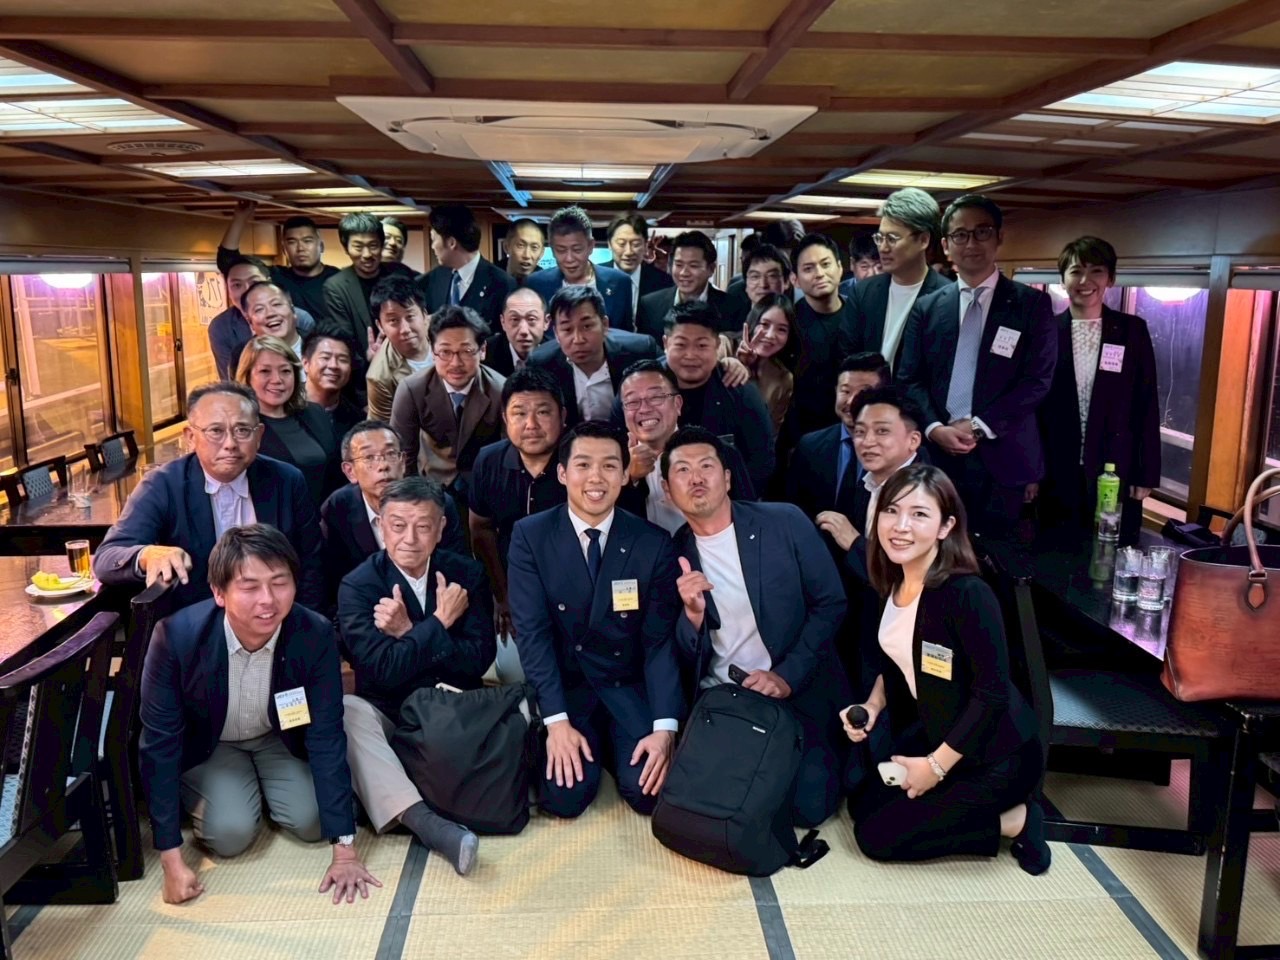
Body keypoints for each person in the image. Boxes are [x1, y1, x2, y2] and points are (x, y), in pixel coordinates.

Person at [139, 525, 379, 904]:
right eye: (249, 587)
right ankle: (239, 792)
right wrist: (171, 862)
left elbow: (326, 735)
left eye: (279, 583)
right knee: (229, 835)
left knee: (314, 822)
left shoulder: (313, 633)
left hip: (277, 736)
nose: (268, 600)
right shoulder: (176, 637)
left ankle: (263, 790)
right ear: (219, 593)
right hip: (212, 743)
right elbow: (159, 745)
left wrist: (345, 852)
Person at [841, 464, 1049, 875]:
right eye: (891, 511)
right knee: (860, 802)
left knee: (875, 837)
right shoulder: (893, 582)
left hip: (996, 755)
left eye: (919, 514)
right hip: (938, 733)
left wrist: (935, 768)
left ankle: (1018, 821)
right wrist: (872, 706)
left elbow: (991, 695)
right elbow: (898, 661)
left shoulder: (967, 593)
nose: (901, 526)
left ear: (945, 526)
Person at [664, 426, 850, 826]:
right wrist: (692, 617)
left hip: (794, 688)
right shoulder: (671, 554)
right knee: (705, 802)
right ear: (667, 491)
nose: (696, 478)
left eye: (706, 466)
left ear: (728, 477)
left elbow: (831, 602)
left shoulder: (784, 522)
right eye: (682, 470)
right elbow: (677, 655)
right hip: (722, 697)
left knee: (806, 808)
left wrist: (786, 676)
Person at [506, 421, 684, 818]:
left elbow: (659, 643)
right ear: (562, 473)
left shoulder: (652, 542)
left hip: (626, 684)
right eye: (583, 465)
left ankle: (618, 744)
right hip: (567, 689)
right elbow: (533, 636)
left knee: (649, 795)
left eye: (609, 466)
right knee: (564, 800)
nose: (596, 478)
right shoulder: (531, 536)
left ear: (624, 474)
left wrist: (664, 729)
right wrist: (556, 722)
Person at [337, 477, 494, 875]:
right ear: (381, 527)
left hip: (454, 712)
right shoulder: (358, 585)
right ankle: (431, 827)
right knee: (349, 711)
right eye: (398, 525)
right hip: (393, 713)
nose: (410, 538)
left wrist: (408, 632)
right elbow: (382, 671)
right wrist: (439, 624)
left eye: (423, 526)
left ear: (441, 528)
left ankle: (383, 791)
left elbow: (479, 660)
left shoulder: (466, 575)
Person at [896, 195, 1057, 536]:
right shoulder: (926, 308)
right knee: (934, 550)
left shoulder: (1032, 304)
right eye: (960, 235)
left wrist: (979, 426)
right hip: (936, 456)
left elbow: (1037, 381)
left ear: (999, 238)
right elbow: (909, 379)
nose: (971, 243)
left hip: (1006, 457)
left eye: (982, 232)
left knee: (1000, 558)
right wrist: (933, 428)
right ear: (945, 245)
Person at [94, 382, 323, 609]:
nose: (230, 444)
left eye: (242, 430)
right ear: (190, 437)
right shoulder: (163, 485)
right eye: (216, 431)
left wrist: (306, 623)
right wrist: (147, 554)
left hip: (274, 616)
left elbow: (312, 564)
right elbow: (107, 557)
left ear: (259, 435)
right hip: (193, 623)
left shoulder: (286, 480)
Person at [1037, 236, 1160, 544]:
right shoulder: (1045, 331)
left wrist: (1146, 473)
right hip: (1055, 467)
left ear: (1110, 279)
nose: (1085, 281)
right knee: (1056, 552)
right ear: (1062, 279)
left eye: (1096, 271)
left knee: (1111, 550)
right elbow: (1034, 407)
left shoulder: (1132, 331)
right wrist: (1030, 471)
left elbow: (1146, 404)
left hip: (1116, 468)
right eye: (1076, 271)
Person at [469, 367, 568, 640]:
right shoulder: (488, 461)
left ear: (563, 416)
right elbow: (480, 529)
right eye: (519, 413)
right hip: (513, 584)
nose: (531, 424)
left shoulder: (580, 460)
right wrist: (502, 596)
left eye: (543, 412)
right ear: (504, 418)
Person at [322, 421, 463, 593]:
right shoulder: (338, 508)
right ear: (350, 471)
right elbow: (335, 579)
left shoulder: (436, 503)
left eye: (390, 454)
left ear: (403, 462)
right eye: (369, 457)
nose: (383, 466)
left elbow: (456, 568)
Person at [618, 360, 756, 533]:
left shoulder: (718, 452)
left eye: (655, 397)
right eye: (632, 401)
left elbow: (749, 519)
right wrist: (628, 479)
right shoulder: (614, 465)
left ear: (677, 404)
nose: (644, 409)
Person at [659, 300, 774, 495]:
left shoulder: (740, 392)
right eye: (681, 345)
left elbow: (761, 463)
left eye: (702, 345)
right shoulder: (642, 386)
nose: (690, 355)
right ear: (665, 344)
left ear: (717, 345)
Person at [390, 304, 505, 499]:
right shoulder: (412, 390)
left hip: (484, 484)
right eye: (445, 352)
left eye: (466, 351)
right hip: (431, 481)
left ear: (482, 350)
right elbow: (403, 455)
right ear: (432, 351)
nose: (455, 363)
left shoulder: (500, 391)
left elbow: (508, 453)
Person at [816, 385, 925, 584]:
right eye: (860, 431)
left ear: (913, 440)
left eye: (882, 431)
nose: (867, 441)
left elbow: (909, 576)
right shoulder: (866, 483)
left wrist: (854, 542)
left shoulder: (928, 493)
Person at [840, 188, 950, 372]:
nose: (883, 248)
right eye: (880, 238)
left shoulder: (948, 298)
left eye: (892, 238)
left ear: (923, 240)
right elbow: (848, 355)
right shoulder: (864, 292)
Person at [526, 285, 658, 428]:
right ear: (556, 334)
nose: (578, 339)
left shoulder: (639, 351)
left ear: (604, 325)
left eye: (587, 326)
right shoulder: (542, 364)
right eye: (567, 329)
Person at [236, 335, 343, 509]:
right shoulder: (240, 429)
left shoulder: (315, 413)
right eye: (265, 371)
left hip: (327, 518)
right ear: (247, 377)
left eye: (285, 371)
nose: (277, 379)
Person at [788, 352, 891, 521]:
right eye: (845, 391)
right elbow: (792, 510)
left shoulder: (899, 451)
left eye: (863, 392)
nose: (851, 401)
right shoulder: (809, 446)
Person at [321, 212, 414, 371]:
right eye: (358, 247)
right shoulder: (336, 287)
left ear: (381, 245)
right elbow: (344, 339)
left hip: (408, 364)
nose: (367, 255)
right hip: (363, 372)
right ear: (346, 248)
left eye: (373, 246)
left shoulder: (400, 273)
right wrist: (368, 357)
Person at [787, 234, 857, 445]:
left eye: (825, 264)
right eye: (808, 269)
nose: (819, 274)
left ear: (840, 268)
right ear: (795, 279)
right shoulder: (787, 322)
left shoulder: (860, 314)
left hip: (855, 427)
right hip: (803, 435)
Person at [217, 202, 339, 322]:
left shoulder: (339, 281)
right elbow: (228, 260)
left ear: (321, 246)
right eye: (292, 242)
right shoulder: (276, 277)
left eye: (307, 241)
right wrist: (240, 218)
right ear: (284, 249)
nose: (300, 248)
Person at [524, 205, 636, 332]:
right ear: (552, 249)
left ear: (591, 246)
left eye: (577, 250)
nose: (569, 258)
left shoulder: (620, 282)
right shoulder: (536, 284)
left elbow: (627, 336)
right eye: (561, 250)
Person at [419, 204, 516, 329]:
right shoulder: (430, 280)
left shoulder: (502, 283)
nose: (432, 246)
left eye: (433, 239)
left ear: (452, 243)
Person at [636, 231, 729, 340]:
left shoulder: (731, 306)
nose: (684, 273)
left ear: (711, 269)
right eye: (679, 265)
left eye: (693, 266)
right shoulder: (649, 305)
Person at [366, 275, 434, 423]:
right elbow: (383, 429)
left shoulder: (447, 329)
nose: (405, 329)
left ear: (424, 315)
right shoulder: (379, 377)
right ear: (380, 326)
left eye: (410, 316)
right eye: (393, 320)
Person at [731, 293, 797, 434]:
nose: (770, 335)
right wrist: (740, 365)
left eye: (781, 329)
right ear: (753, 322)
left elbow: (770, 433)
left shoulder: (783, 378)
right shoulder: (724, 346)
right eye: (764, 325)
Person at [209, 255, 270, 380]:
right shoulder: (221, 327)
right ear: (228, 290)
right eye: (237, 285)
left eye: (254, 282)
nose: (247, 291)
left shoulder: (297, 319)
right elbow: (230, 380)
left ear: (269, 283)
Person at [605, 213, 672, 317]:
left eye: (636, 244)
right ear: (609, 244)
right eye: (621, 244)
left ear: (645, 245)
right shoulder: (593, 278)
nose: (629, 252)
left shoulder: (664, 283)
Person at [302, 333, 363, 439]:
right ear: (306, 363)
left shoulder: (357, 420)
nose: (334, 365)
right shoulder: (283, 405)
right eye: (325, 357)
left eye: (342, 360)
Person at [483, 286, 549, 377]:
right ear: (503, 322)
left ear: (546, 322)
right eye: (515, 319)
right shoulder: (485, 354)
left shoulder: (559, 356)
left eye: (531, 319)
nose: (523, 331)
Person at [501, 218, 546, 284]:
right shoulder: (489, 278)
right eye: (520, 245)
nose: (527, 255)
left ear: (542, 253)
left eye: (534, 247)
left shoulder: (548, 284)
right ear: (506, 247)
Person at [840, 234, 881, 299]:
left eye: (879, 267)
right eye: (865, 267)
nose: (872, 274)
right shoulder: (839, 294)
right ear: (852, 264)